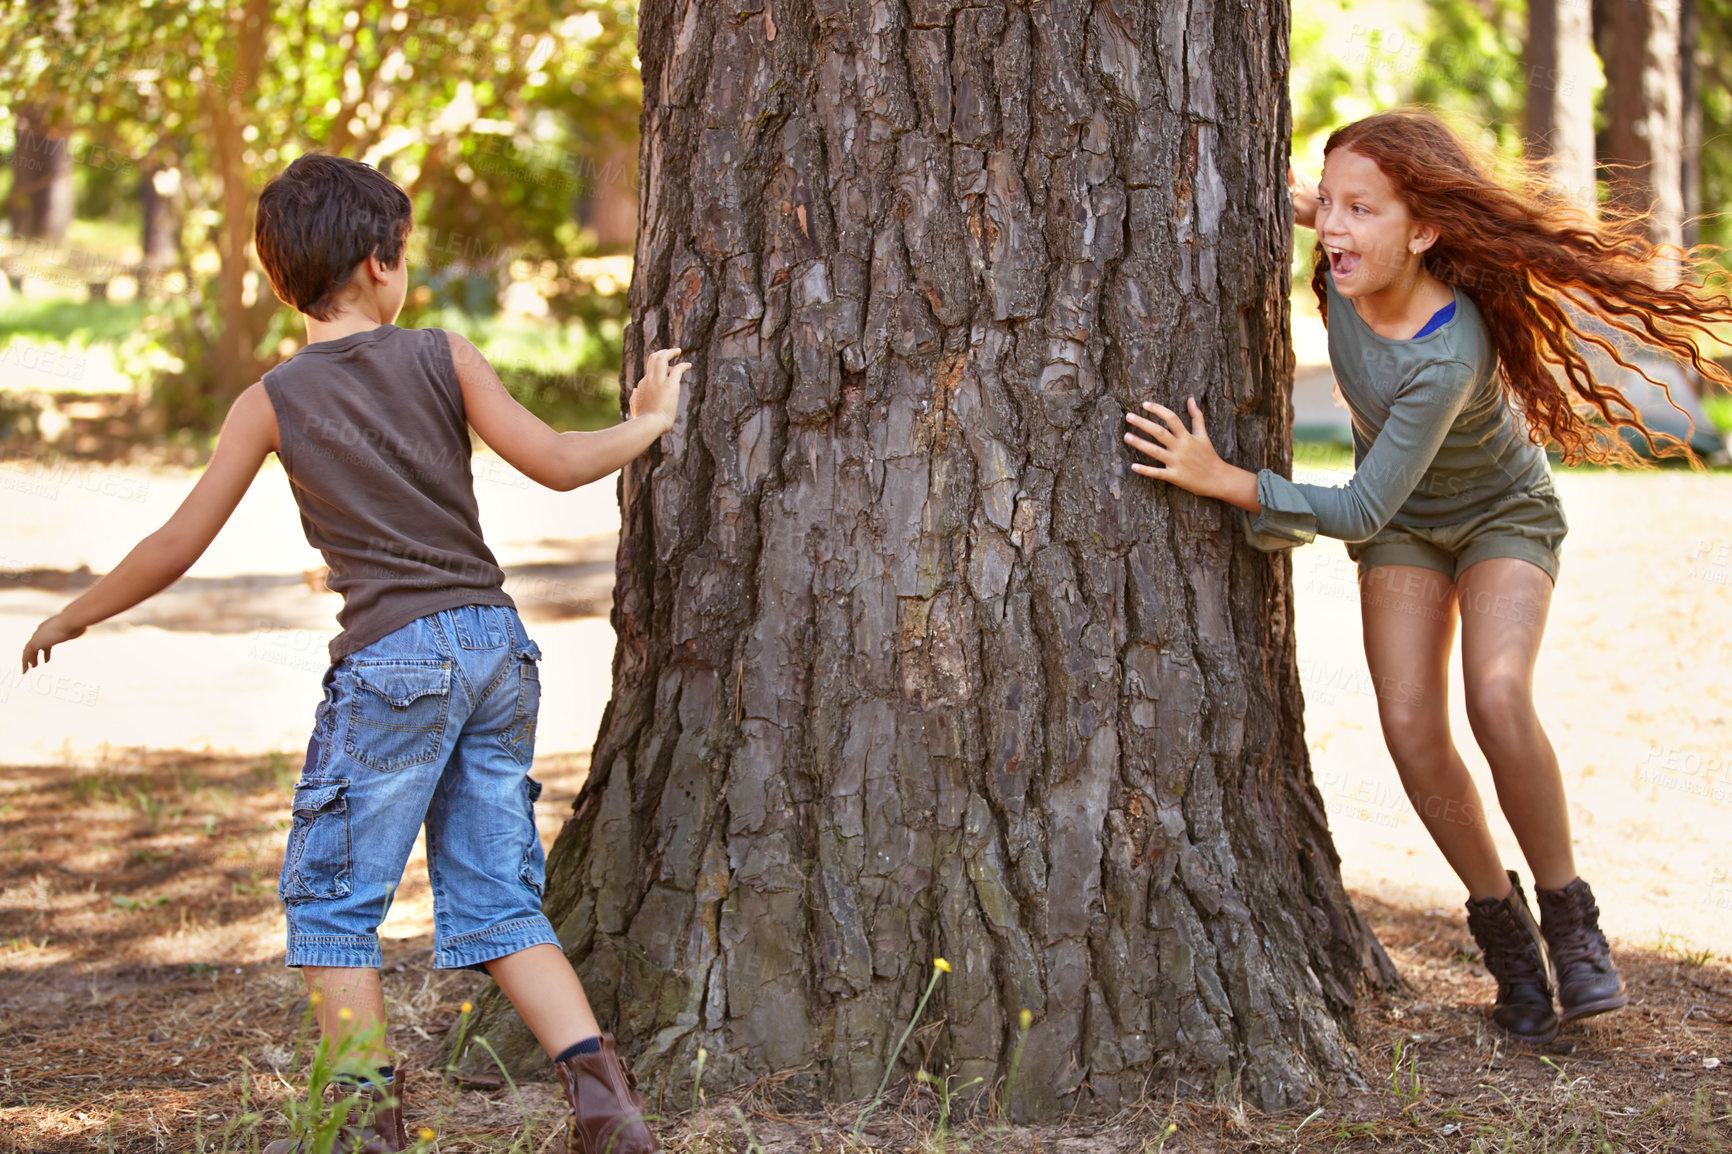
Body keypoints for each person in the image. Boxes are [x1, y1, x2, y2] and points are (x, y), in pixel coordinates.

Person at [19, 154, 683, 1152]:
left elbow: (176, 542)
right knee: (498, 890)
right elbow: (552, 462)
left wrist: (76, 611)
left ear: (288, 279)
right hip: (495, 645)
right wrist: (648, 422)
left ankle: (364, 1124)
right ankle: (607, 1104)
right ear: (380, 263)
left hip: (393, 659)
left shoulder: (271, 399)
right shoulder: (443, 354)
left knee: (332, 898)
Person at [1123, 108, 1732, 1044]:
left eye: (1362, 211)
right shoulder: (1350, 248)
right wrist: (1321, 201)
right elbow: (1329, 210)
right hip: (1409, 528)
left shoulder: (1447, 352)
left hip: (1499, 517)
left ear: (1424, 230)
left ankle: (1570, 923)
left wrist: (1226, 481)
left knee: (1495, 694)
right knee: (1410, 725)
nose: (1334, 228)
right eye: (1328, 206)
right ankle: (1506, 937)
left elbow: (1358, 509)